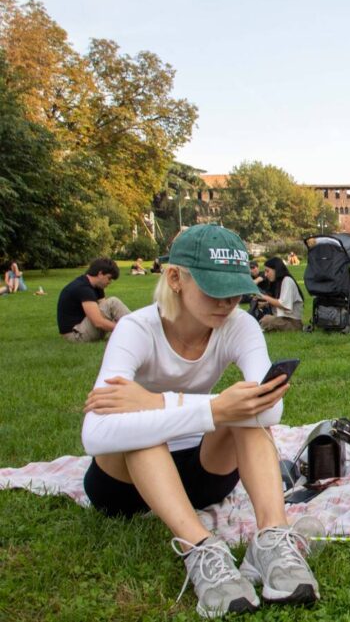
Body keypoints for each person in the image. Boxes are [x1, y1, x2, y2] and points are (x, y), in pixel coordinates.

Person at [80, 224, 318, 617]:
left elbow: (269, 408)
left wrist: (160, 400)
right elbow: (96, 433)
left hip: (203, 473)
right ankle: (200, 549)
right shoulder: (135, 329)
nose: (228, 302)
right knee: (144, 426)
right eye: (214, 288)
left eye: (236, 289)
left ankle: (272, 539)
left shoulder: (238, 325)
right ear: (174, 278)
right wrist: (212, 409)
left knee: (247, 414)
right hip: (123, 485)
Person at [57, 258, 131, 343]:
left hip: (82, 328)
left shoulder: (96, 286)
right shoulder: (83, 288)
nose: (110, 282)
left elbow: (105, 310)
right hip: (75, 335)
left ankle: (136, 328)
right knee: (113, 301)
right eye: (109, 278)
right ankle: (136, 329)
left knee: (112, 304)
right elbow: (98, 322)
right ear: (100, 274)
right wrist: (123, 328)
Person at [257, 257, 305, 332]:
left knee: (266, 320)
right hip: (283, 319)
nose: (265, 275)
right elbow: (281, 300)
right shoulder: (279, 282)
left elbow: (284, 304)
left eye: (267, 271)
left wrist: (264, 297)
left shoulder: (287, 281)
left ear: (276, 270)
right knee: (264, 318)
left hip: (292, 322)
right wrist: (265, 304)